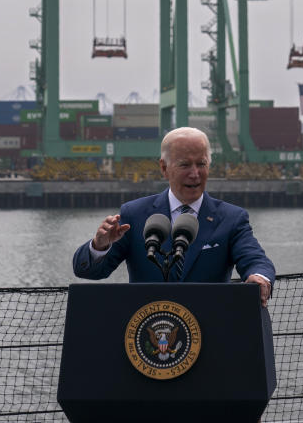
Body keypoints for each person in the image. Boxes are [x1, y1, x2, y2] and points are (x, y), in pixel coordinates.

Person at [72, 127, 275, 306]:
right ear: (164, 168)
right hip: (146, 334)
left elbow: (255, 259)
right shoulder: (134, 215)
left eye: (201, 164)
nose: (195, 173)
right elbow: (88, 271)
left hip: (210, 333)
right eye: (185, 165)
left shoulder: (231, 218)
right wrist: (99, 246)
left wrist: (259, 277)